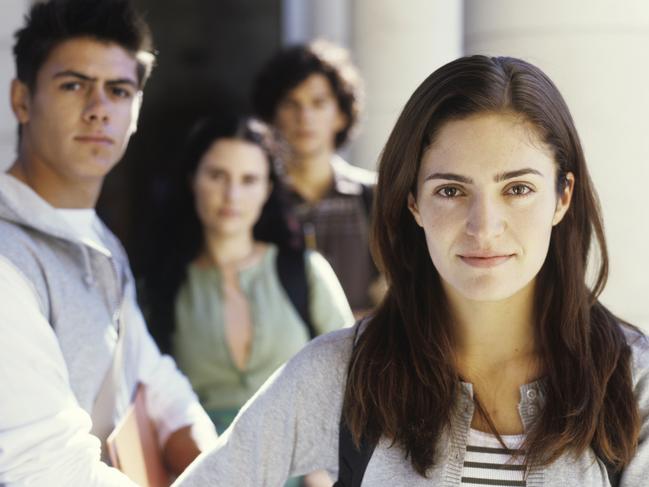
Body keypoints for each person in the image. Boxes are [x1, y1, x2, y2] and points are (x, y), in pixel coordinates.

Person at [173, 55, 649, 486]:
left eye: (518, 189)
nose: (484, 228)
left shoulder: (633, 381)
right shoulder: (343, 372)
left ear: (562, 196)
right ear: (413, 203)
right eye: (450, 190)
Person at [0, 1, 217, 485]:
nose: (99, 109)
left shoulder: (100, 241)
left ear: (135, 113)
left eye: (118, 91)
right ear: (21, 100)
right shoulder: (6, 259)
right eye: (73, 85)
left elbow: (153, 378)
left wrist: (214, 461)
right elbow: (45, 467)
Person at [143, 114, 352, 487]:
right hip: (203, 473)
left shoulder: (304, 272)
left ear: (268, 188)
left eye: (249, 179)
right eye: (217, 176)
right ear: (192, 180)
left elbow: (354, 380)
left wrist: (323, 468)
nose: (232, 195)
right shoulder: (161, 287)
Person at [253, 40, 381, 316]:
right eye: (291, 103)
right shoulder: (254, 200)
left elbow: (397, 301)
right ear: (273, 115)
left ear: (341, 115)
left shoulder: (374, 197)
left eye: (318, 102)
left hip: (363, 354)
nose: (305, 116)